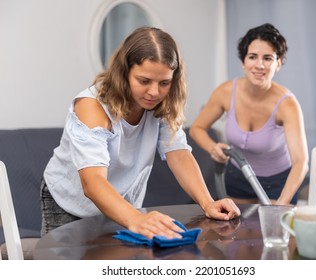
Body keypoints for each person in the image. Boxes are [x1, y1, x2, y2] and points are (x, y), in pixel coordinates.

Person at [40, 27, 240, 239]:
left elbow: (179, 154)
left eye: (164, 83)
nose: (154, 92)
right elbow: (92, 183)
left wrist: (208, 203)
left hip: (122, 204)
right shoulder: (92, 107)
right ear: (123, 73)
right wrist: (135, 219)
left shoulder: (162, 103)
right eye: (144, 81)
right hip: (70, 203)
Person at [189, 23, 309, 205]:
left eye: (268, 58)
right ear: (243, 61)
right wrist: (213, 148)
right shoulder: (226, 92)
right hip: (237, 177)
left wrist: (282, 204)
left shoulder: (287, 105)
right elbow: (197, 128)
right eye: (252, 57)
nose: (259, 65)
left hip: (278, 185)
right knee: (235, 232)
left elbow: (301, 162)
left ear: (278, 63)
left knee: (273, 232)